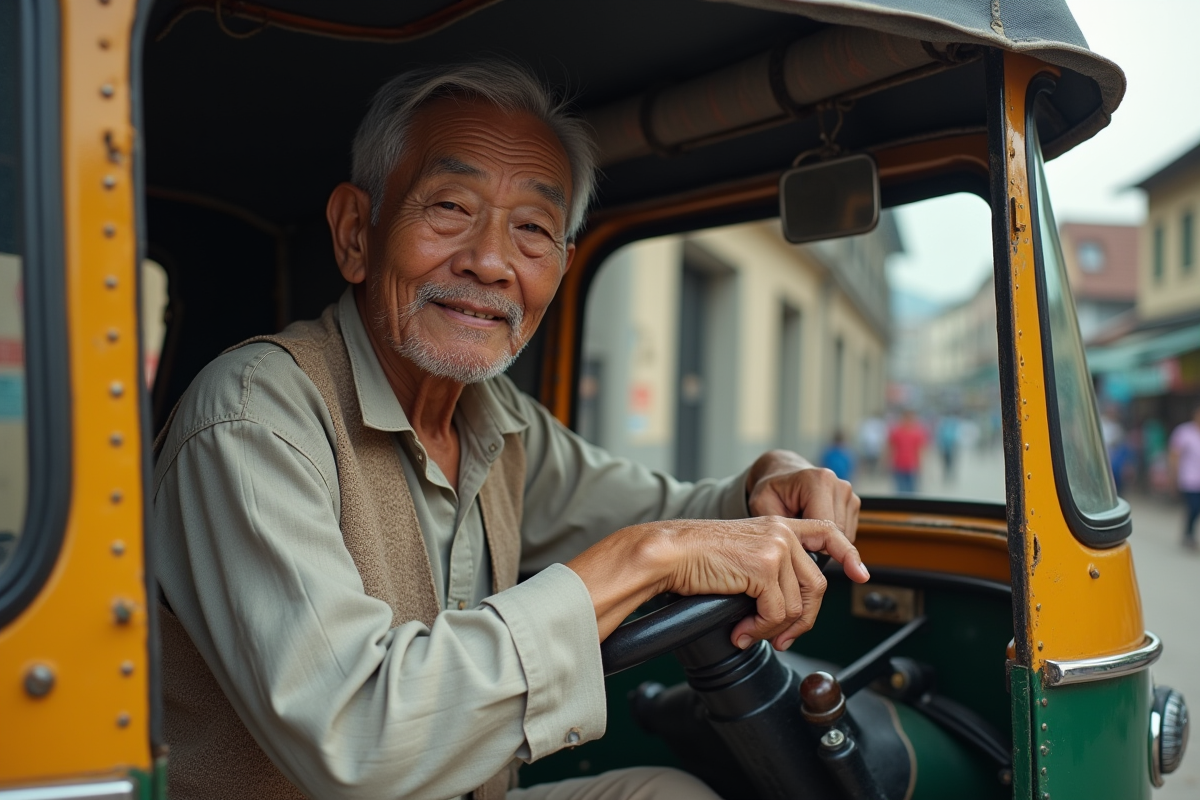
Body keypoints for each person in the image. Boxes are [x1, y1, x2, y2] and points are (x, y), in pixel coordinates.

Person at [152, 61, 868, 800]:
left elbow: (678, 514)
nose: (491, 262)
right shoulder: (252, 417)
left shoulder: (497, 420)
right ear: (356, 233)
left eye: (531, 228)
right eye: (451, 207)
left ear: (560, 267)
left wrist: (767, 482)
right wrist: (647, 557)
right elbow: (357, 740)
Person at [1168, 406, 1200, 550]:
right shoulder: (1184, 432)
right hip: (1189, 478)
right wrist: (1174, 475)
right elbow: (1175, 455)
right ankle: (1188, 534)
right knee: (1193, 507)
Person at [888, 410, 926, 494]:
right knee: (900, 490)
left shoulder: (917, 433)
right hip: (899, 465)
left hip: (911, 465)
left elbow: (919, 451)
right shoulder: (896, 432)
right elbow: (891, 448)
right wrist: (888, 462)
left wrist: (920, 465)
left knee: (911, 491)